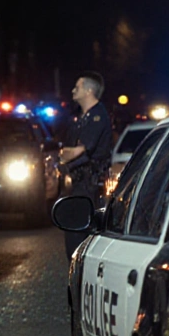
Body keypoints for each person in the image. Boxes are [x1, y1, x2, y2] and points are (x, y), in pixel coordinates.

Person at [60, 71, 114, 257]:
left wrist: (67, 154)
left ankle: (79, 272)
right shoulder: (81, 117)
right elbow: (67, 150)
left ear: (89, 90)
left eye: (78, 87)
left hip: (89, 184)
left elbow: (77, 151)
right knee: (73, 233)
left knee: (78, 235)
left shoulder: (97, 116)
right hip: (79, 183)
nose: (73, 90)